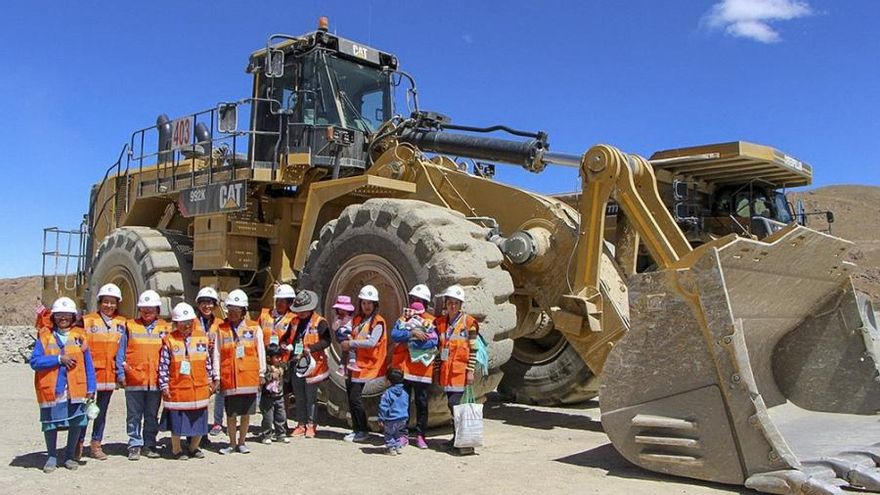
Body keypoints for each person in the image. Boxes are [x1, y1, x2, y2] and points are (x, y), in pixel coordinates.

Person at [30, 297, 96, 472]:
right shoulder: (44, 336)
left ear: (73, 316)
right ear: (54, 317)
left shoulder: (80, 337)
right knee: (50, 423)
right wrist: (58, 359)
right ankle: (51, 456)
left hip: (76, 388)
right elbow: (35, 362)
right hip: (52, 389)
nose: (63, 318)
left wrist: (91, 388)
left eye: (67, 314)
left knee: (76, 422)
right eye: (59, 314)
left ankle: (69, 456)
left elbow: (88, 363)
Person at [116, 289, 171, 460]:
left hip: (155, 380)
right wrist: (120, 373)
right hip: (134, 379)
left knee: (151, 415)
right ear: (139, 309)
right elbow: (121, 352)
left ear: (157, 310)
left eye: (151, 309)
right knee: (133, 414)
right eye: (144, 309)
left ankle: (149, 444)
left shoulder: (166, 328)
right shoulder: (130, 326)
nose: (147, 312)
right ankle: (134, 444)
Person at [158, 303, 217, 460]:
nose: (186, 326)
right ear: (176, 323)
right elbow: (163, 366)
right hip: (178, 389)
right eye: (182, 323)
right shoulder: (169, 340)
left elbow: (207, 362)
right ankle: (176, 450)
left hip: (199, 388)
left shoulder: (201, 338)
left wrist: (211, 380)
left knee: (199, 421)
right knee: (177, 422)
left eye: (189, 322)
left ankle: (193, 447)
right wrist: (164, 386)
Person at [78, 283, 127, 461]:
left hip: (109, 375)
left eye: (112, 302)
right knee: (85, 410)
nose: (109, 306)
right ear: (100, 302)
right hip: (90, 375)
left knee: (101, 411)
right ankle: (78, 444)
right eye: (106, 302)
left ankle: (96, 444)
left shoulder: (123, 323)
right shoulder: (87, 321)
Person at [215, 289, 265, 454]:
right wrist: (216, 376)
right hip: (230, 378)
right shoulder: (221, 330)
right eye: (230, 310)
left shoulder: (254, 328)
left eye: (236, 311)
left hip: (248, 378)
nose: (232, 314)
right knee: (231, 414)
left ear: (243, 311)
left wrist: (262, 373)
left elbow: (260, 351)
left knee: (246, 413)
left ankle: (242, 443)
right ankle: (231, 443)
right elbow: (216, 353)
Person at [390, 284, 436, 449]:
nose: (415, 302)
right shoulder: (403, 318)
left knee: (422, 403)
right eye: (413, 299)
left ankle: (420, 435)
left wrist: (414, 343)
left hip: (423, 370)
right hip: (405, 369)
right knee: (403, 403)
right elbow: (395, 335)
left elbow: (433, 341)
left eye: (418, 300)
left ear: (425, 302)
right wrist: (412, 334)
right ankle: (403, 434)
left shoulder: (430, 320)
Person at [434, 284, 479, 455]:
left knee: (456, 406)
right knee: (451, 406)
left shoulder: (469, 323)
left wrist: (470, 371)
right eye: (450, 302)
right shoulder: (440, 324)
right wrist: (438, 370)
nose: (452, 306)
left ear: (461, 305)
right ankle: (457, 439)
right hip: (447, 374)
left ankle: (462, 440)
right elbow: (439, 350)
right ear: (445, 304)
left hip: (461, 373)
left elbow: (473, 349)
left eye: (456, 303)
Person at [340, 284, 387, 443]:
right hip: (353, 365)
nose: (366, 306)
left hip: (367, 366)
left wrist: (351, 343)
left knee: (356, 398)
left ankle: (362, 429)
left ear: (375, 305)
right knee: (351, 398)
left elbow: (372, 342)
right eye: (364, 302)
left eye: (369, 303)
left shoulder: (378, 322)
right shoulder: (358, 319)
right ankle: (357, 428)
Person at [283, 289, 331, 438]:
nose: (301, 313)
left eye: (303, 310)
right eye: (299, 311)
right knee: (299, 395)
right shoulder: (294, 321)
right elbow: (286, 337)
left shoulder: (320, 322)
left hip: (313, 365)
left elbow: (326, 340)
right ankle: (301, 424)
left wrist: (311, 348)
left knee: (311, 397)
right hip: (296, 362)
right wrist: (284, 344)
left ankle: (311, 425)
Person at [193, 287, 225, 437]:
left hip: (215, 362)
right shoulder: (191, 322)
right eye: (204, 303)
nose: (207, 306)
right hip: (197, 365)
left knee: (219, 393)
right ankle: (198, 431)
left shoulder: (219, 324)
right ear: (198, 305)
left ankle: (217, 422)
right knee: (199, 398)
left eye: (210, 303)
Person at [259, 343, 289, 444]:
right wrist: (272, 375)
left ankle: (281, 434)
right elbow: (263, 379)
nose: (279, 359)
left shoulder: (281, 366)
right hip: (267, 397)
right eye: (276, 357)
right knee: (268, 417)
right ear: (269, 358)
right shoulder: (266, 368)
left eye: (280, 357)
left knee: (281, 416)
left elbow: (286, 366)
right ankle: (266, 434)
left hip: (279, 396)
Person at [378, 368, 409, 455]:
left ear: (388, 381)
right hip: (403, 418)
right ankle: (398, 447)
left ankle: (391, 448)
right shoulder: (405, 392)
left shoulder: (388, 393)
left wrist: (381, 418)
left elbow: (383, 406)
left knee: (388, 433)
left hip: (391, 419)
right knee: (397, 433)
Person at [331, 294, 357, 376]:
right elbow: (334, 328)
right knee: (351, 346)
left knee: (345, 352)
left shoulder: (351, 318)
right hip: (342, 334)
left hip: (349, 334)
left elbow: (353, 327)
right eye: (340, 309)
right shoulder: (337, 318)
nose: (342, 312)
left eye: (344, 310)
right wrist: (338, 322)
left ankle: (341, 367)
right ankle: (352, 361)